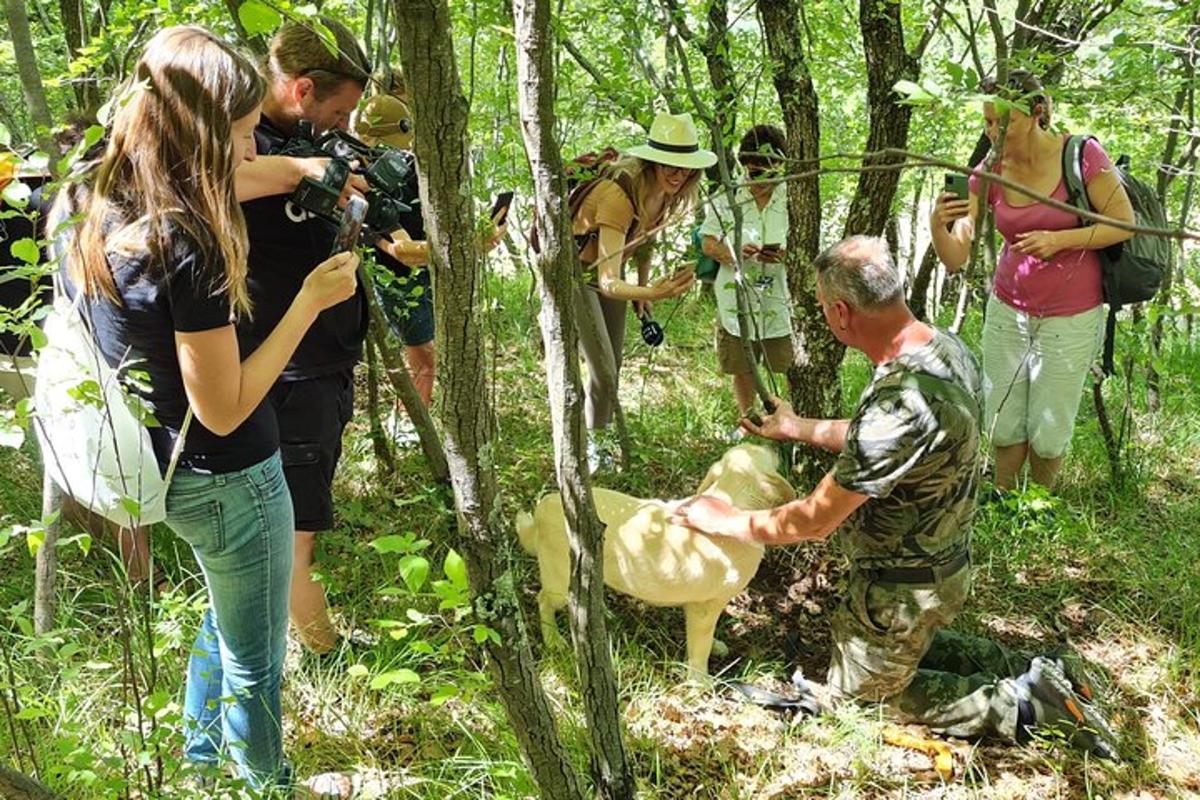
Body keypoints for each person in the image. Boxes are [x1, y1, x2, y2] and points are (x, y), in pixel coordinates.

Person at [56, 26, 359, 793]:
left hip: (166, 471)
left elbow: (234, 181)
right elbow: (223, 410)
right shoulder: (190, 247)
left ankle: (196, 763)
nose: (255, 152)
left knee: (230, 615)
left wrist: (301, 170)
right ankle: (265, 784)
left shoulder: (99, 199)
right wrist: (308, 301)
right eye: (248, 135)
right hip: (233, 479)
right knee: (257, 667)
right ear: (203, 137)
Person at [675, 236, 1119, 757]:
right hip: (940, 569)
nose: (825, 318)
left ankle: (1027, 705)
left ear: (841, 311)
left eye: (822, 308)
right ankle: (1043, 667)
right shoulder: (940, 347)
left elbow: (814, 521)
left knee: (857, 700)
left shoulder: (898, 403)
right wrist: (799, 427)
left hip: (901, 591)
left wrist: (726, 520)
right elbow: (889, 437)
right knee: (908, 650)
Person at [235, 18, 371, 655]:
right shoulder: (239, 137)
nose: (342, 125)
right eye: (338, 110)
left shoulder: (304, 136)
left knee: (303, 518)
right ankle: (320, 652)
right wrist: (298, 169)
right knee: (295, 530)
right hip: (290, 369)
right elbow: (203, 183)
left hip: (324, 361)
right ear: (302, 88)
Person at [930, 70, 1134, 490]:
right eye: (987, 122)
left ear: (1036, 112)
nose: (993, 132)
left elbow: (1124, 224)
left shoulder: (1080, 156)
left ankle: (1040, 505)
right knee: (1004, 420)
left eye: (1002, 122)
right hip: (1007, 309)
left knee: (1049, 426)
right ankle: (1006, 500)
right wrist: (938, 226)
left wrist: (1060, 239)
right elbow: (956, 256)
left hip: (1070, 315)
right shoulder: (989, 170)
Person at [353, 83, 505, 423]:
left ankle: (410, 421)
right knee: (426, 361)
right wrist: (470, 248)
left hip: (424, 272)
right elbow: (400, 250)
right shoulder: (363, 180)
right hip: (398, 280)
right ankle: (409, 426)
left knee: (426, 358)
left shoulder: (401, 167)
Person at [572, 111, 710, 470]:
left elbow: (643, 242)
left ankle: (598, 438)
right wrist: (656, 294)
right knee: (602, 368)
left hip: (609, 275)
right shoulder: (619, 194)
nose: (679, 175)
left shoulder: (664, 195)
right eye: (670, 165)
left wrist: (642, 289)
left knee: (612, 364)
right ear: (653, 161)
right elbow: (605, 281)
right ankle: (590, 449)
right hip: (575, 275)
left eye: (686, 168)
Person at [699, 124, 793, 438]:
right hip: (735, 297)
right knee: (742, 363)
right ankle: (747, 421)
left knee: (782, 361)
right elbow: (707, 242)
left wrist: (784, 255)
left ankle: (789, 423)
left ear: (779, 165)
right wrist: (733, 253)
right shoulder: (727, 196)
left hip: (780, 299)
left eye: (767, 171)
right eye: (753, 172)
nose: (759, 179)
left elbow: (809, 244)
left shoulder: (793, 196)